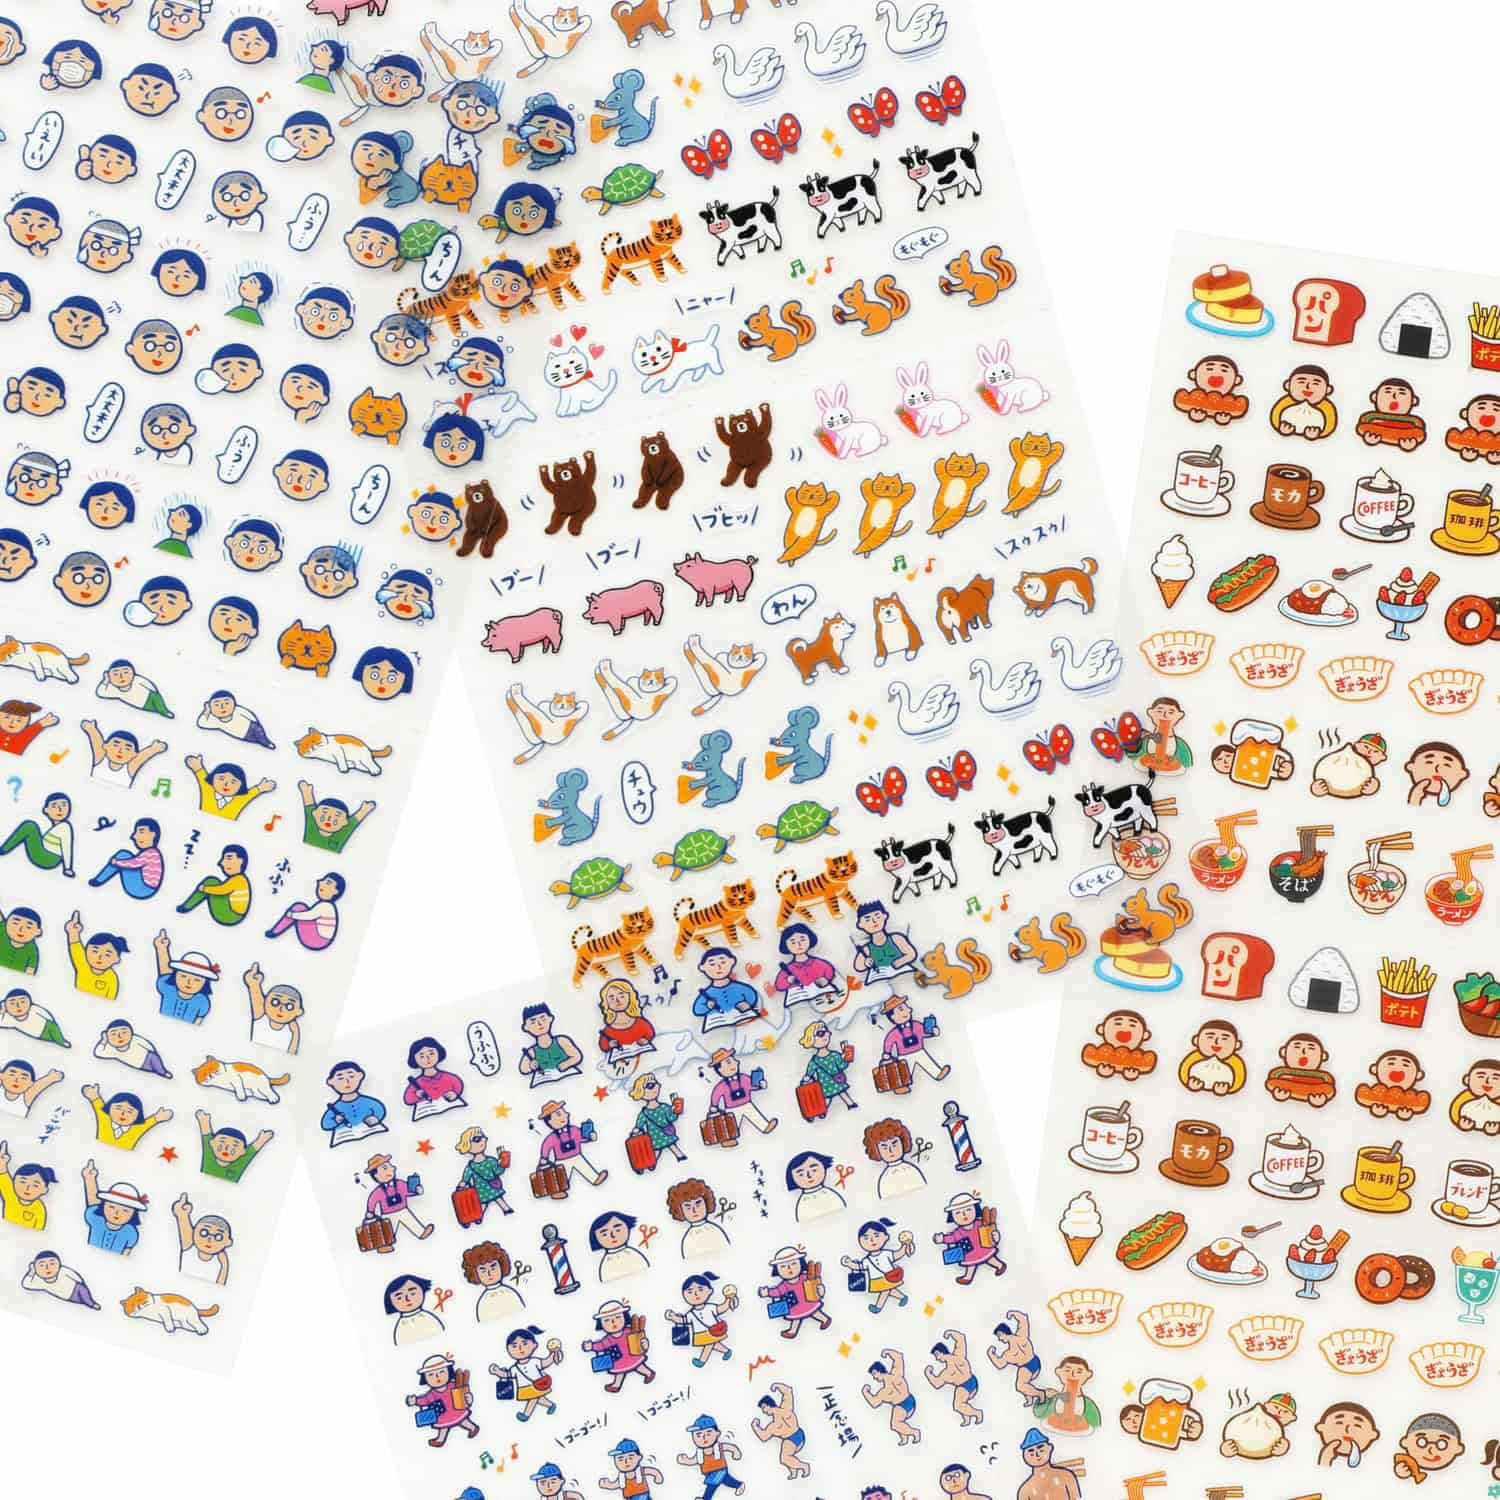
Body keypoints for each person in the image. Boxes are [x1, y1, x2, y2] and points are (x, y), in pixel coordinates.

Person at [489, 1325, 562, 1422]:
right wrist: (497, 1372)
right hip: (525, 1388)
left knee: (533, 1399)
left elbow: (546, 1362)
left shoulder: (534, 1361)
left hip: (537, 1385)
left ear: (534, 1345)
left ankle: (526, 1415)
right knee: (537, 1398)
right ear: (508, 1350)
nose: (520, 1348)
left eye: (524, 1343)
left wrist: (553, 1353)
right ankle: (551, 1405)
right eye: (514, 1346)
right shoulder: (515, 1368)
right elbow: (508, 1375)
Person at [842, 1217, 915, 1314]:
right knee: (888, 1290)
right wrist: (849, 1264)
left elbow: (897, 1254)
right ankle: (902, 1297)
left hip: (888, 1277)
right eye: (866, 1238)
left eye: (876, 1236)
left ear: (886, 1237)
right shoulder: (867, 1260)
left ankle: (878, 1307)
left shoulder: (886, 1254)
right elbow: (859, 1267)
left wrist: (905, 1246)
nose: (872, 1240)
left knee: (885, 1291)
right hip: (876, 1280)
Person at [757, 1245, 831, 1340]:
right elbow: (777, 1291)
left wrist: (820, 1289)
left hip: (808, 1302)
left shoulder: (806, 1277)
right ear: (777, 1270)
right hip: (796, 1307)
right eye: (783, 1266)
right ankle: (792, 1331)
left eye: (793, 1264)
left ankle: (825, 1320)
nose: (789, 1268)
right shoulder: (784, 1285)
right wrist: (767, 1292)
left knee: (815, 1312)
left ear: (801, 1263)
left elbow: (816, 1284)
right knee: (796, 1318)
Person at [405, 1353, 480, 1447]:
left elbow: (464, 1394)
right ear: (425, 1379)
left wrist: (468, 1398)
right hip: (443, 1416)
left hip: (457, 1411)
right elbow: (424, 1400)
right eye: (431, 1374)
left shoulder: (454, 1385)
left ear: (449, 1372)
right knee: (443, 1427)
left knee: (463, 1421)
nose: (437, 1377)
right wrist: (415, 1400)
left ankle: (473, 1428)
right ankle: (440, 1439)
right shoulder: (432, 1394)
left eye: (441, 1372)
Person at [582, 1298, 656, 1391]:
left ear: (625, 1317)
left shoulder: (630, 1331)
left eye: (617, 1317)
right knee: (620, 1372)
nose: (613, 1322)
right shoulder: (608, 1339)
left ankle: (649, 1374)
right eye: (607, 1320)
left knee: (639, 1366)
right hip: (619, 1361)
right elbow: (601, 1345)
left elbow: (640, 1339)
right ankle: (616, 1385)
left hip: (633, 1356)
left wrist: (644, 1343)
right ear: (600, 1324)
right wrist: (592, 1346)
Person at [666, 1272, 735, 1366]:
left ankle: (702, 1361)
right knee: (712, 1344)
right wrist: (673, 1317)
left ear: (710, 1291)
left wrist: (728, 1299)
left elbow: (722, 1308)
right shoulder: (691, 1314)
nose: (695, 1294)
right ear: (684, 1295)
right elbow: (683, 1320)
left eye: (700, 1289)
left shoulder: (710, 1307)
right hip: (701, 1334)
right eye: (690, 1292)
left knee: (709, 1345)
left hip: (713, 1331)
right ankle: (726, 1351)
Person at [0, 791, 74, 876]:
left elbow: (66, 847)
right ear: (46, 810)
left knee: (29, 826)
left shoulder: (65, 827)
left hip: (48, 858)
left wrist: (67, 868)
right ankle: (4, 849)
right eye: (54, 806)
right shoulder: (59, 826)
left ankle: (3, 849)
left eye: (64, 805)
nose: (59, 809)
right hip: (46, 854)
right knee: (30, 826)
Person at [176, 844, 252, 925]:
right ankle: (187, 906)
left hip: (231, 915)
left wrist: (204, 889)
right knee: (212, 882)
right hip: (233, 913)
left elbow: (222, 890)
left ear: (241, 861)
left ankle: (186, 906)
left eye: (229, 858)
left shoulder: (238, 879)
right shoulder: (238, 878)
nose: (221, 863)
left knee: (211, 882)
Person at [88, 817, 164, 897]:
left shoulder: (151, 853)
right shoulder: (151, 852)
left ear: (153, 834)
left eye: (141, 832)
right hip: (145, 886)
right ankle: (99, 880)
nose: (134, 836)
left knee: (123, 855)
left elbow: (134, 863)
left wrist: (116, 862)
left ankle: (98, 880)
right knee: (124, 855)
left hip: (144, 888)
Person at [264, 871, 343, 949]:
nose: (320, 883)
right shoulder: (326, 905)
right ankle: (276, 930)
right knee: (299, 908)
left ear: (335, 891)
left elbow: (309, 916)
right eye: (323, 881)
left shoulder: (325, 906)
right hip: (320, 938)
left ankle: (275, 931)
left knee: (298, 908)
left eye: (328, 883)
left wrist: (291, 915)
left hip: (318, 940)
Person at [82, 1082, 171, 1149]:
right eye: (118, 1108)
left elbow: (147, 1124)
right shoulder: (104, 1119)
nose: (123, 1114)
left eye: (130, 1111)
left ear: (138, 1115)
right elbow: (99, 1107)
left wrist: (158, 1118)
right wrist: (94, 1097)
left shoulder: (136, 1129)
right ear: (109, 1107)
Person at [677, 1412, 745, 1499]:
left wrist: (736, 1452)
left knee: (712, 1485)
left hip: (720, 1469)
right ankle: (739, 1485)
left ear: (717, 1433)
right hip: (709, 1473)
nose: (704, 1438)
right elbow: (694, 1460)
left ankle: (706, 1498)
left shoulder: (718, 1447)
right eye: (698, 1435)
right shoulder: (700, 1453)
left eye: (708, 1434)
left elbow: (730, 1447)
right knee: (726, 1480)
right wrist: (685, 1461)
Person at [364, 1151, 431, 1239]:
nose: (392, 1169)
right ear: (376, 1175)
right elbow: (372, 1200)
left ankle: (421, 1232)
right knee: (389, 1230)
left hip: (403, 1210)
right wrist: (370, 1211)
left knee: (409, 1219)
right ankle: (386, 1243)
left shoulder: (400, 1184)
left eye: (390, 1166)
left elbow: (408, 1190)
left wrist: (417, 1191)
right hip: (388, 1214)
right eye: (385, 1168)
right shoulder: (378, 1192)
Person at [153, 932, 217, 1022]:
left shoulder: (203, 1002)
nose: (189, 982)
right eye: (183, 976)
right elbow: (165, 973)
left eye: (197, 980)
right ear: (175, 976)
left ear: (205, 984)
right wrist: (161, 948)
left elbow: (199, 1021)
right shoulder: (168, 988)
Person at [81, 720, 167, 787]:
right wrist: (90, 728)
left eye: (127, 748)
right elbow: (96, 741)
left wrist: (155, 749)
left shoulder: (130, 768)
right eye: (115, 745)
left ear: (134, 754)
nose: (120, 750)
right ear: (106, 746)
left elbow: (141, 757)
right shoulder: (101, 759)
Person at [80, 1161, 145, 1250]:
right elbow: (93, 1203)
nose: (116, 1213)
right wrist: (90, 1179)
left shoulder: (131, 1233)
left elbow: (127, 1251)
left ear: (133, 1214)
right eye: (111, 1207)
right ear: (103, 1206)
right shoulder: (96, 1219)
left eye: (125, 1211)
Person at [320, 1060, 387, 1146]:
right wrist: (336, 1120)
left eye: (351, 1076)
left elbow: (379, 1109)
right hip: (345, 1141)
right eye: (340, 1078)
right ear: (331, 1082)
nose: (347, 1081)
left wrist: (376, 1118)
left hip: (374, 1138)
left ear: (360, 1076)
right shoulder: (336, 1107)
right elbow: (325, 1124)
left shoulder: (367, 1102)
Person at [186, 755, 274, 819]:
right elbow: (203, 780)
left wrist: (261, 788)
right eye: (221, 778)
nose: (226, 784)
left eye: (233, 782)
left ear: (241, 786)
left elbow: (250, 794)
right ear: (212, 778)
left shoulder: (239, 800)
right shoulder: (208, 790)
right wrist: (197, 767)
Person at [196, 1109, 272, 1183]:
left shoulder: (242, 1159)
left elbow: (251, 1151)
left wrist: (262, 1139)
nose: (226, 1149)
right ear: (212, 1143)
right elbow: (206, 1134)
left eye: (233, 1149)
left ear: (242, 1151)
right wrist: (203, 1121)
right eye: (221, 1146)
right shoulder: (209, 1150)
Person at [298, 780, 374, 853]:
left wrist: (364, 810)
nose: (329, 819)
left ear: (344, 822)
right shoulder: (312, 821)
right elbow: (309, 806)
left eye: (335, 820)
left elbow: (354, 821)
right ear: (315, 813)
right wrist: (306, 792)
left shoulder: (344, 830)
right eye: (323, 817)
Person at [692, 948, 759, 1030]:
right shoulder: (707, 993)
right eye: (712, 964)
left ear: (732, 961)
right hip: (718, 1029)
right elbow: (697, 1009)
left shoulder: (738, 987)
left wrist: (748, 1004)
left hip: (745, 1024)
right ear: (702, 967)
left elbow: (751, 995)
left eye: (723, 962)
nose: (718, 967)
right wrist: (707, 1006)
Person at [173, 1193, 232, 1285]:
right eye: (204, 1233)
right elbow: (183, 1220)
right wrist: (182, 1214)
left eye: (218, 1237)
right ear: (194, 1232)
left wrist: (224, 1265)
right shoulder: (189, 1247)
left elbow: (221, 1284)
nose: (210, 1239)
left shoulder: (220, 1260)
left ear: (227, 1242)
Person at [64, 914, 127, 999]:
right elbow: (75, 946)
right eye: (95, 951)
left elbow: (111, 999)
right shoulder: (83, 965)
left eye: (107, 954)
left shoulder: (111, 978)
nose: (99, 957)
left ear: (117, 959)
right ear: (86, 951)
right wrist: (73, 932)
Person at [752, 1384, 809, 1478]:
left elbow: (788, 1391)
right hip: (789, 1439)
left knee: (784, 1458)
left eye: (764, 1407)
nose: (763, 1411)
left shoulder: (785, 1408)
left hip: (796, 1435)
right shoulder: (773, 1426)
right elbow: (763, 1437)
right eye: (762, 1409)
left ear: (769, 1405)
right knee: (785, 1456)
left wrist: (777, 1385)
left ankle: (804, 1466)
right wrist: (755, 1426)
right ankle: (793, 1471)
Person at [456, 1125, 513, 1218]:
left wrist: (503, 1163)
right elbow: (466, 1178)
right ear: (467, 1145)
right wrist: (461, 1186)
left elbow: (498, 1171)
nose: (483, 1140)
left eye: (483, 1137)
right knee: (484, 1203)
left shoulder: (491, 1161)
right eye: (477, 1139)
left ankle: (506, 1209)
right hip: (482, 1190)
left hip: (491, 1187)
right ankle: (479, 1215)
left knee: (497, 1198)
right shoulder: (471, 1166)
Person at [403, 1035, 466, 1118]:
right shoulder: (416, 1083)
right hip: (427, 1116)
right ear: (414, 1060)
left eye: (431, 1053)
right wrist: (417, 1095)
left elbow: (457, 1085)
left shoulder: (448, 1077)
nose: (427, 1058)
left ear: (438, 1053)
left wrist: (454, 1094)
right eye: (422, 1056)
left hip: (454, 1114)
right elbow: (408, 1099)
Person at [799, 1018, 857, 1110]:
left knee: (840, 1092)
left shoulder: (834, 1055)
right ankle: (823, 1110)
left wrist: (846, 1058)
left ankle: (850, 1104)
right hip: (826, 1085)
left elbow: (842, 1065)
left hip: (835, 1081)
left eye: (826, 1031)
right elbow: (810, 1072)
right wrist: (805, 1080)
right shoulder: (815, 1061)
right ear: (810, 1040)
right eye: (820, 1033)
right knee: (829, 1097)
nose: (826, 1034)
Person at [627, 1073, 685, 1161]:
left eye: (656, 1083)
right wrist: (637, 1130)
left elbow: (671, 1118)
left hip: (666, 1133)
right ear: (641, 1092)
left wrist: (675, 1110)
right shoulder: (644, 1113)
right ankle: (653, 1163)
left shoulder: (664, 1107)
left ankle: (680, 1157)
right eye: (650, 1086)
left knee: (671, 1145)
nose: (656, 1087)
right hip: (655, 1137)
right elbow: (640, 1124)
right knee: (658, 1150)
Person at [772, 923, 838, 999]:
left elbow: (829, 970)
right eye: (793, 942)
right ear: (785, 945)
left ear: (810, 939)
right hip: (799, 1000)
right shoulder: (788, 969)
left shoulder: (818, 963)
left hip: (823, 997)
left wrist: (826, 979)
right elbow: (779, 985)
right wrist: (788, 980)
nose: (799, 944)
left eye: (802, 939)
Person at [517, 1004, 582, 1082]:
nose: (539, 1024)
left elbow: (577, 1056)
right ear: (526, 1027)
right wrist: (531, 1066)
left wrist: (565, 1065)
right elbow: (524, 1069)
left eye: (543, 1019)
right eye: (533, 1022)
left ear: (550, 1018)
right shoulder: (532, 1052)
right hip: (545, 1082)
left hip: (572, 1079)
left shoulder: (561, 1041)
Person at [462, 1240, 524, 1321]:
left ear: (501, 1265)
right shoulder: (484, 1302)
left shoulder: (510, 1293)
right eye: (483, 1270)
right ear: (475, 1274)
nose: (489, 1273)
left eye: (493, 1267)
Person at [0, 1143, 55, 1228]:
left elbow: (38, 1230)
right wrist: (3, 1161)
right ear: (14, 1181)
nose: (27, 1188)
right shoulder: (10, 1194)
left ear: (45, 1190)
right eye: (22, 1181)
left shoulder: (39, 1209)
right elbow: (3, 1173)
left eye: (35, 1185)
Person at [22, 1249, 100, 1308]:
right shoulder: (40, 1283)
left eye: (52, 1263)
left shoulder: (63, 1271)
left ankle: (92, 1303)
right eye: (41, 1265)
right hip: (69, 1297)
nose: (47, 1268)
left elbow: (74, 1275)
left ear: (59, 1264)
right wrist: (31, 1272)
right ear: (35, 1268)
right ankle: (89, 1303)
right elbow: (26, 1284)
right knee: (81, 1302)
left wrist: (82, 1283)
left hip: (76, 1288)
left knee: (85, 1295)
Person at [93, 1019, 170, 1078]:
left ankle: (163, 1072)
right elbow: (98, 1052)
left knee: (157, 1065)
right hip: (140, 1065)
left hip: (148, 1056)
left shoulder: (135, 1039)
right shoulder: (111, 1051)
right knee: (152, 1071)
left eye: (124, 1032)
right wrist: (104, 1040)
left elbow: (147, 1044)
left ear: (131, 1033)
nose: (119, 1036)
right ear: (108, 1036)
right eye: (113, 1034)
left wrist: (155, 1053)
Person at [598, 978, 655, 1055]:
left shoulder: (641, 1023)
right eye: (612, 998)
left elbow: (650, 1035)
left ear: (630, 997)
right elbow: (603, 1046)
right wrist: (610, 1045)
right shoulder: (608, 1031)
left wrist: (645, 1041)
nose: (617, 1000)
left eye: (622, 996)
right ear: (606, 1003)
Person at [386, 1272, 444, 1346]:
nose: (407, 1299)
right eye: (399, 1298)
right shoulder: (401, 1328)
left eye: (412, 1293)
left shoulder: (428, 1317)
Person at [786, 1149, 845, 1221]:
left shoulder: (830, 1194)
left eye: (814, 1170)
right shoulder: (804, 1203)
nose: (809, 1176)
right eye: (801, 1174)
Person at [590, 1210, 649, 1282]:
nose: (612, 1235)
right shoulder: (606, 1265)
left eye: (618, 1230)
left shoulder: (633, 1254)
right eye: (605, 1234)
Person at [0, 989, 68, 1048]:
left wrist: (53, 1022)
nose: (18, 1006)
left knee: (57, 1036)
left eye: (23, 1001)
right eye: (12, 1003)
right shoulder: (10, 1020)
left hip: (47, 1026)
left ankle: (62, 1041)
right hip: (38, 1035)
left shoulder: (33, 1009)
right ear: (6, 1006)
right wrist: (2, 1009)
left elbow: (45, 1014)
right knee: (52, 1040)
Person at [0, 906, 41, 974]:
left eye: (28, 927)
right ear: (6, 923)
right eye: (15, 923)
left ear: (37, 932)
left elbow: (30, 970)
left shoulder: (32, 950)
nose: (20, 929)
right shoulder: (2, 930)